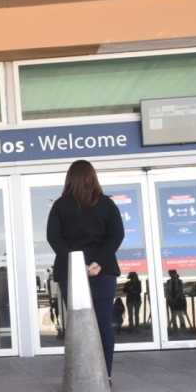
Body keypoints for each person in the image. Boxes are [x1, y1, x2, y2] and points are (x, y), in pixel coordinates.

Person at [47, 160, 125, 379]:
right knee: (103, 324)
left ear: (69, 178)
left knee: (77, 325)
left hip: (70, 273)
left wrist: (77, 263)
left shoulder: (60, 206)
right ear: (93, 177)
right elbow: (116, 235)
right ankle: (104, 376)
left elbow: (53, 238)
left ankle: (80, 376)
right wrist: (98, 262)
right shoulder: (107, 205)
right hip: (103, 271)